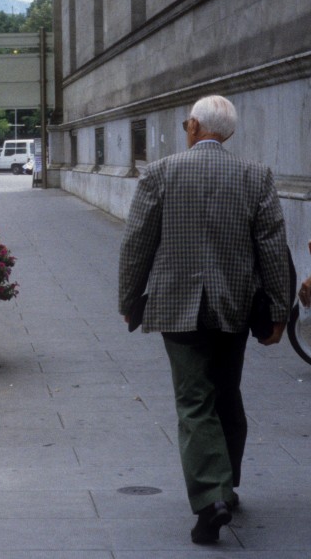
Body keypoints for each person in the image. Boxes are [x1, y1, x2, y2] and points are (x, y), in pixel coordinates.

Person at [118, 95, 291, 545]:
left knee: (195, 401)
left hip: (178, 306)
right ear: (227, 132)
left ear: (193, 126)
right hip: (234, 305)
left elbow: (137, 242)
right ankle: (227, 486)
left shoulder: (160, 172)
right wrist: (278, 310)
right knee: (227, 392)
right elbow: (272, 248)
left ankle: (211, 497)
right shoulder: (256, 176)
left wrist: (129, 298)